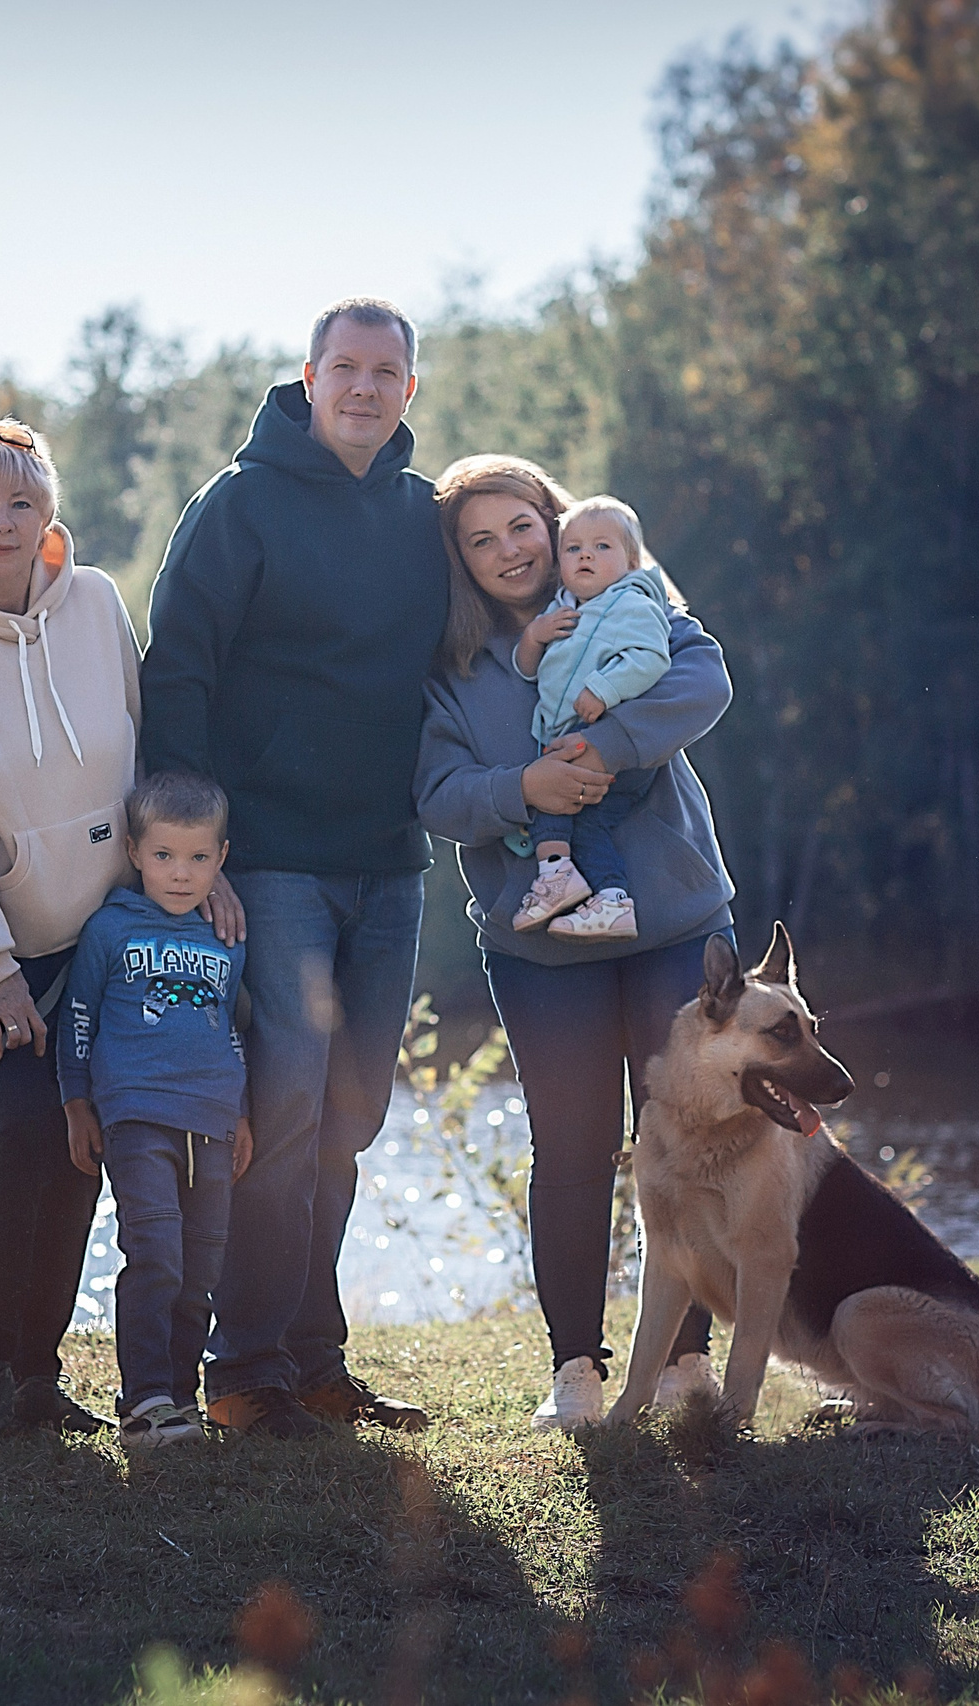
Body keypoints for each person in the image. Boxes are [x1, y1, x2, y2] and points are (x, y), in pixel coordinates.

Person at [0, 415, 241, 1442]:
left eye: (21, 500)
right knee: (28, 1128)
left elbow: (142, 761)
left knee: (92, 1138)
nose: (3, 521)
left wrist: (183, 881)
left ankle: (39, 1373)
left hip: (111, 935)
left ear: (49, 513)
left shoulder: (93, 604)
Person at [138, 298, 448, 1438]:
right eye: (345, 368)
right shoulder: (239, 503)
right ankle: (246, 1368)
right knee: (286, 1100)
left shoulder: (426, 517)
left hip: (389, 862)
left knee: (351, 1113)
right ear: (308, 378)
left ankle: (316, 1358)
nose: (365, 388)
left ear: (409, 388)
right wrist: (199, 851)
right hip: (270, 863)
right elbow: (179, 676)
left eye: (386, 371)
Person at [414, 454, 738, 1432]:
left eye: (522, 526)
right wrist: (523, 789)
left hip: (672, 921)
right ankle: (576, 1370)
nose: (508, 549)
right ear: (460, 562)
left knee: (685, 1138)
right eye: (481, 539)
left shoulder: (631, 601)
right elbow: (435, 793)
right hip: (540, 948)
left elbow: (704, 679)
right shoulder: (455, 671)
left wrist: (607, 745)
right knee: (570, 1150)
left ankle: (684, 1360)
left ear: (555, 526)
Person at [59, 772, 255, 1450]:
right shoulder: (110, 928)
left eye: (199, 858)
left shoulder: (226, 938)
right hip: (137, 1117)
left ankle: (179, 1400)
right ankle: (143, 1403)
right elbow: (78, 1017)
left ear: (221, 858)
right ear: (136, 852)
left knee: (202, 1269)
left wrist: (243, 1114)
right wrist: (76, 1103)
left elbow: (228, 1028)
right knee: (157, 1256)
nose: (181, 874)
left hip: (213, 1121)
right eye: (165, 856)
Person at [510, 493, 677, 943]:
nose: (586, 555)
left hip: (611, 740)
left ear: (631, 560)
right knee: (575, 815)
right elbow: (527, 671)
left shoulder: (632, 604)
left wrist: (602, 690)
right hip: (566, 733)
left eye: (603, 547)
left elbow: (651, 659)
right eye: (573, 548)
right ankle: (600, 893)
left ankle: (572, 882)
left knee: (563, 805)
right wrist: (533, 636)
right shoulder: (564, 608)